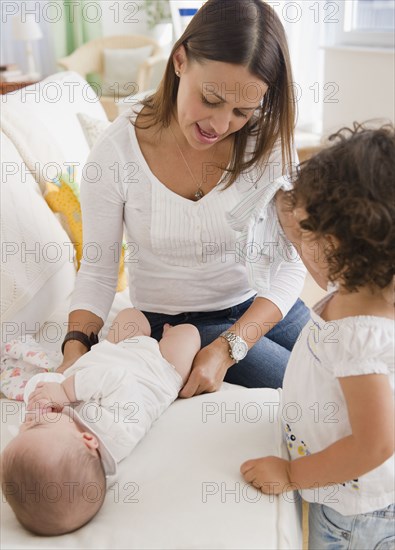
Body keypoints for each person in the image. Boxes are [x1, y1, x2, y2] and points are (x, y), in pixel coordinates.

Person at [59, 0, 310, 395]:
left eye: (242, 111)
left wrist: (231, 345)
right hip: (176, 325)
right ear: (180, 60)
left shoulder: (269, 143)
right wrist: (74, 350)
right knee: (305, 390)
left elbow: (291, 263)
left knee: (355, 371)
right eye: (210, 99)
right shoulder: (116, 152)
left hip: (262, 304)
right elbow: (98, 272)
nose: (220, 125)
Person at [241, 124, 395, 549]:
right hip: (347, 491)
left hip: (355, 512)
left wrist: (293, 475)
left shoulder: (357, 335)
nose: (297, 241)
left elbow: (376, 442)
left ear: (339, 242)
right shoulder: (357, 294)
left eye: (304, 231)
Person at [0, 308, 200, 536]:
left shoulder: (60, 435)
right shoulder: (115, 433)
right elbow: (117, 378)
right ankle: (171, 334)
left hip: (112, 351)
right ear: (87, 440)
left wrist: (39, 394)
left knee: (130, 316)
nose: (30, 419)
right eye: (37, 425)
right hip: (160, 369)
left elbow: (47, 385)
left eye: (24, 428)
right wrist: (65, 391)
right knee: (188, 334)